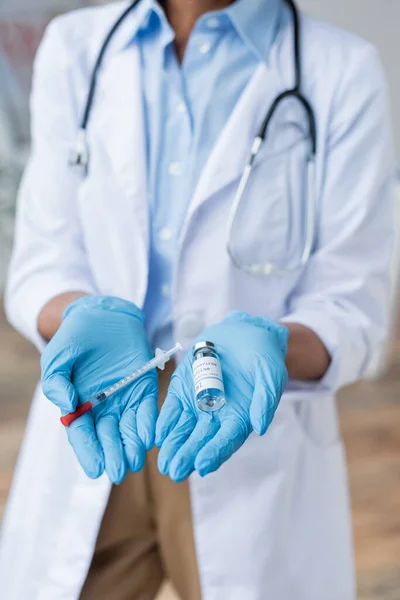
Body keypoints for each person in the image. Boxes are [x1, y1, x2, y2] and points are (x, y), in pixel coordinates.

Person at [0, 0, 395, 598]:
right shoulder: (75, 46)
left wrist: (275, 344)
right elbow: (42, 257)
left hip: (245, 421)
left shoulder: (342, 69)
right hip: (102, 407)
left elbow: (353, 306)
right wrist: (75, 314)